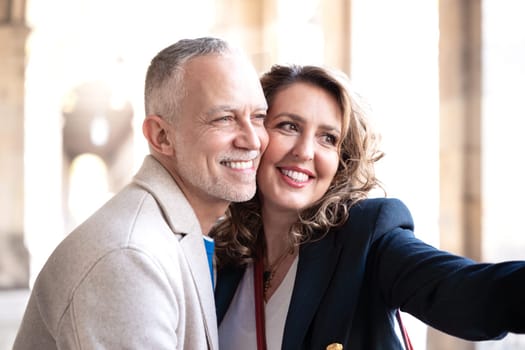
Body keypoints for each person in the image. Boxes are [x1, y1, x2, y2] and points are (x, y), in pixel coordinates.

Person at [212, 64, 525, 350]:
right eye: (288, 126)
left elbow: (469, 293)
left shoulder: (366, 237)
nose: (305, 151)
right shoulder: (224, 252)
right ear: (255, 137)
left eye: (328, 138)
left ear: (341, 160)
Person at [13, 37, 268, 350]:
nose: (253, 140)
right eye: (224, 118)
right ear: (161, 136)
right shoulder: (129, 257)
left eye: (259, 117)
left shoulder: (175, 230)